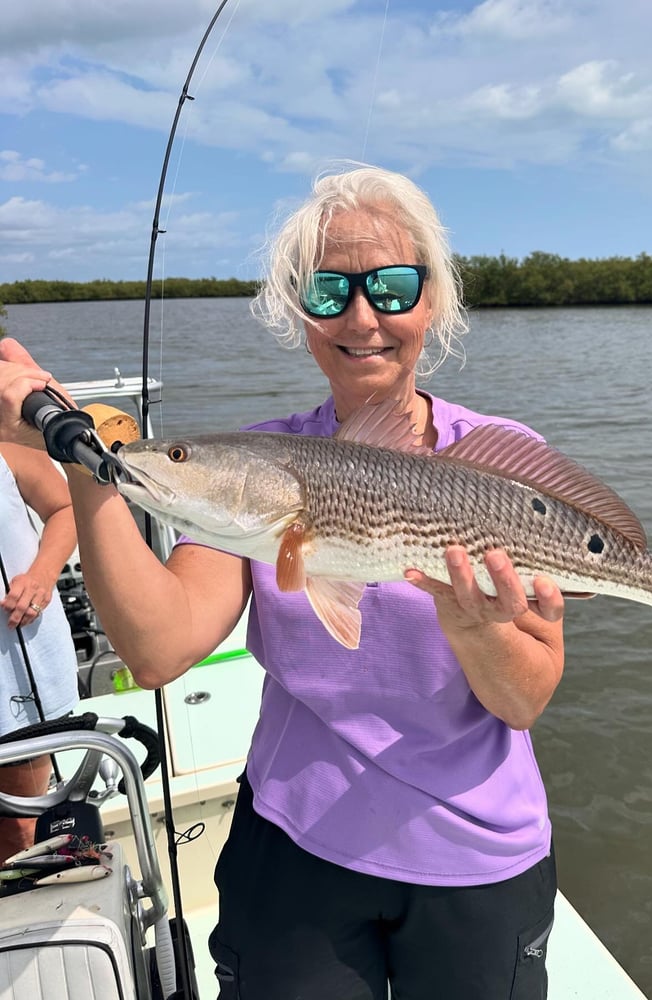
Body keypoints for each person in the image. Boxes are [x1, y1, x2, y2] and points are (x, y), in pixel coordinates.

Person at [0, 165, 565, 999]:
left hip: (474, 854)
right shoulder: (259, 469)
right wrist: (85, 463)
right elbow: (156, 651)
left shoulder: (495, 460)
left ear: (432, 300)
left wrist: (482, 635)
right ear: (300, 312)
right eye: (329, 290)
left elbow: (522, 703)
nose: (363, 316)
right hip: (297, 843)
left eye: (393, 286)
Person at [0, 440, 79, 862]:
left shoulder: (7, 443)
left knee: (19, 830)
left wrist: (40, 576)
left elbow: (66, 507)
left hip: (15, 680)